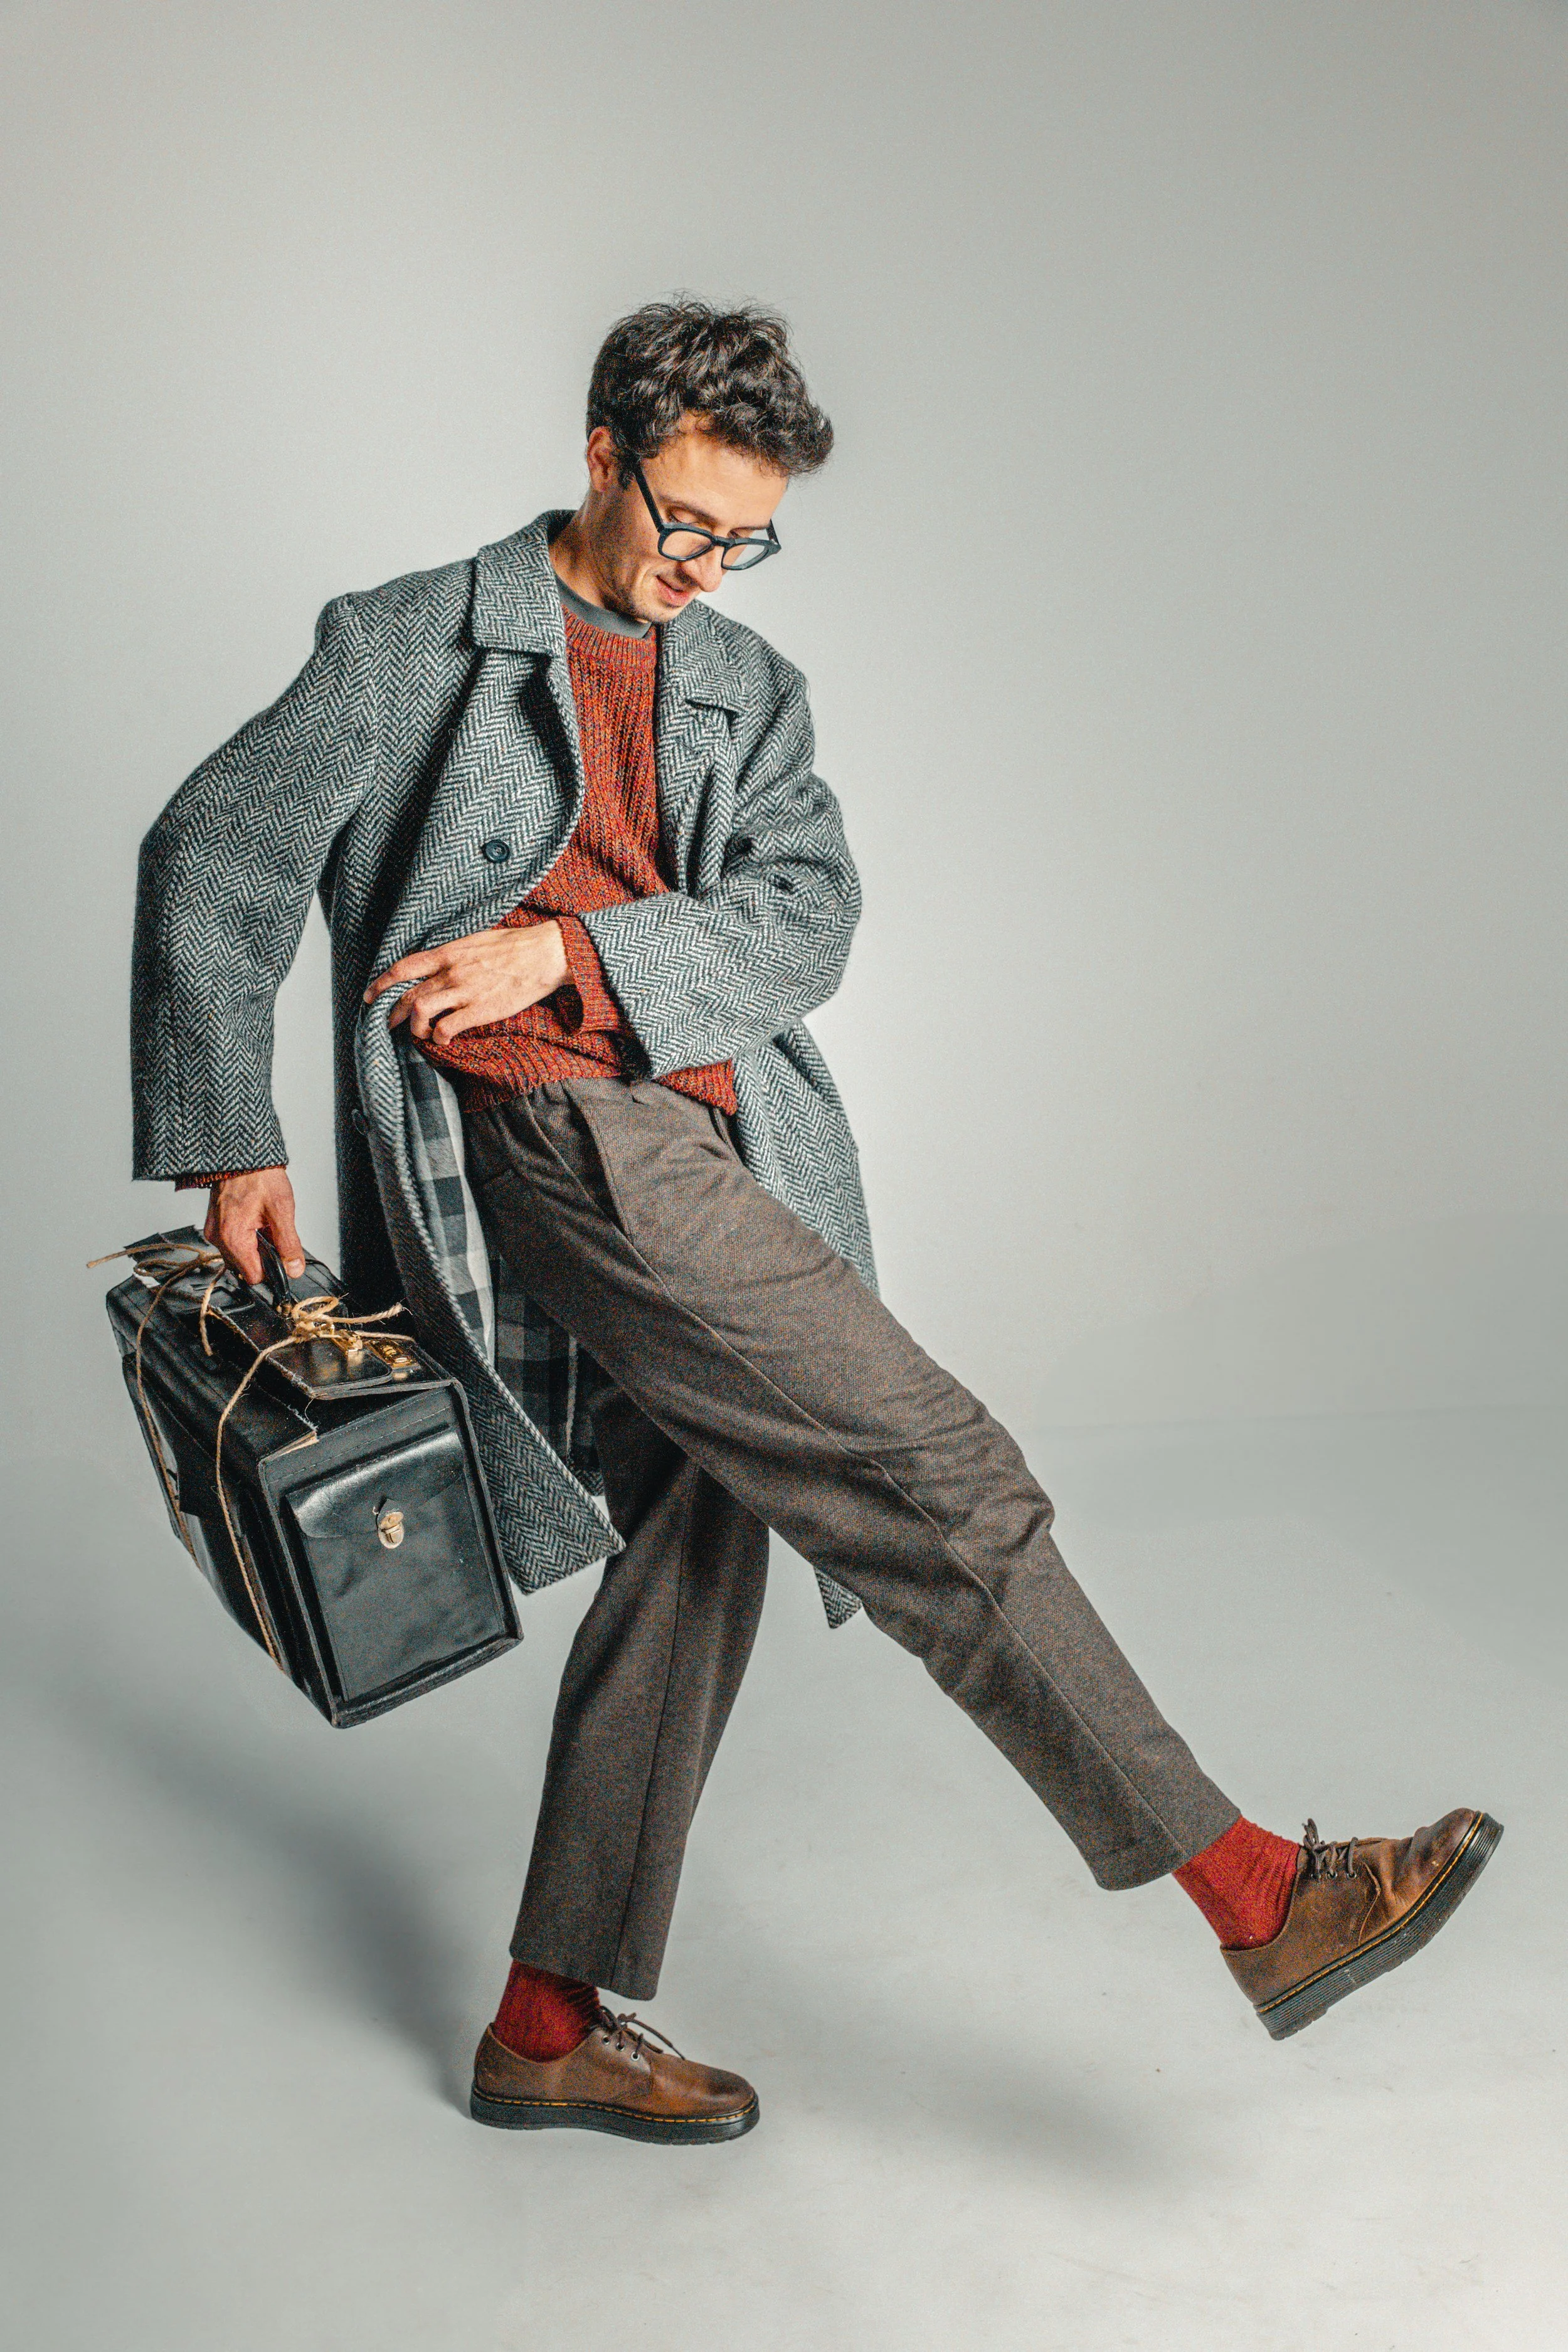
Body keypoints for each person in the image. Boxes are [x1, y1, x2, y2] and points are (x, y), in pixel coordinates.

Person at [131, 299, 1500, 2146]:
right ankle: (1253, 1890)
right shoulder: (409, 644)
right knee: (941, 1471)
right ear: (599, 452)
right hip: (548, 1134)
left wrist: (578, 945)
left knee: (704, 1527)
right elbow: (217, 844)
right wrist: (226, 1128)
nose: (703, 565)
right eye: (680, 518)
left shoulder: (747, 686)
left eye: (743, 536)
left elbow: (806, 916)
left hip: (707, 1138)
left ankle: (546, 2018)